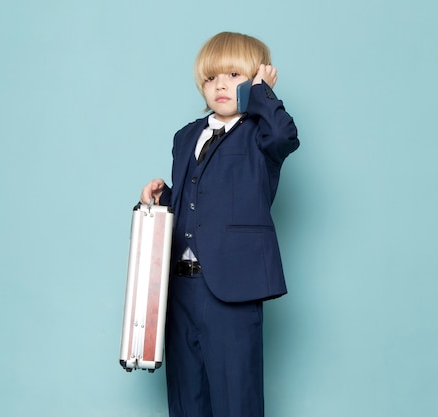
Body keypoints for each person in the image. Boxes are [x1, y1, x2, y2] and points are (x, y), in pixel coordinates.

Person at [140, 31, 300, 417]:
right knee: (186, 398)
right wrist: (161, 199)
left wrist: (262, 93)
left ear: (257, 77)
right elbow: (193, 199)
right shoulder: (186, 136)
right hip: (180, 289)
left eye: (233, 75)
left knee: (236, 400)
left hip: (233, 290)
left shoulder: (262, 136)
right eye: (211, 78)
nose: (221, 84)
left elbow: (285, 135)